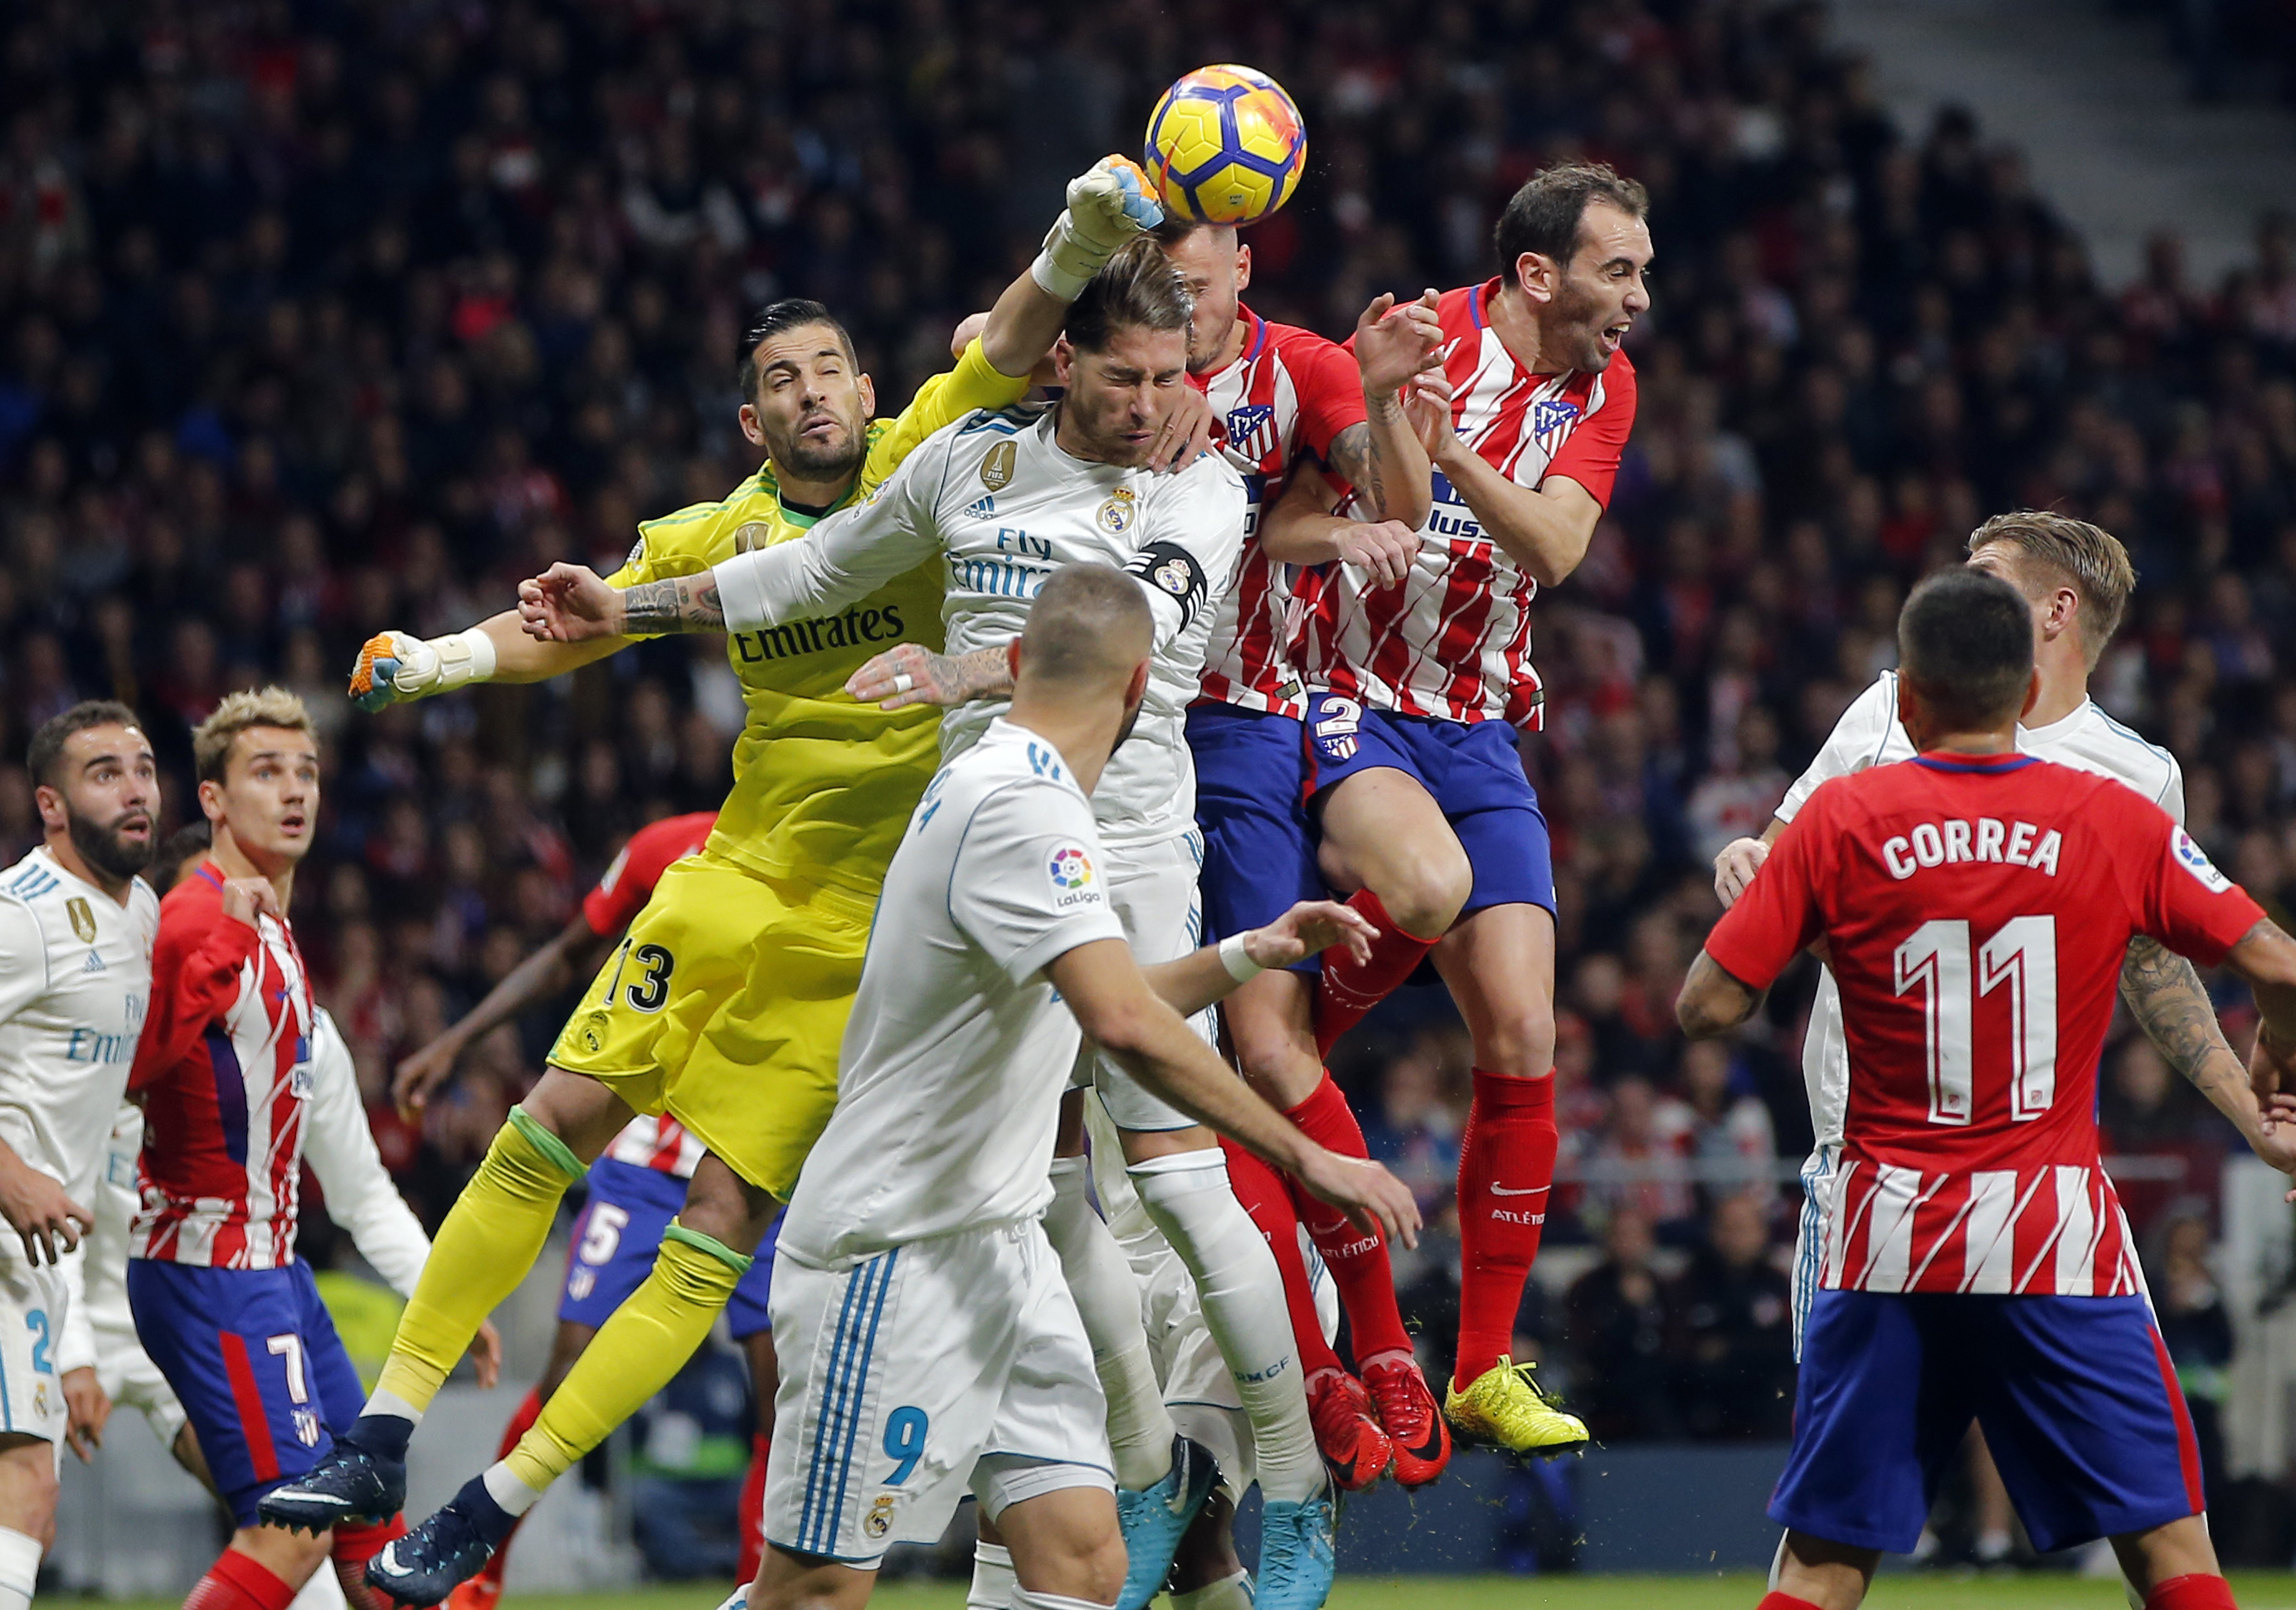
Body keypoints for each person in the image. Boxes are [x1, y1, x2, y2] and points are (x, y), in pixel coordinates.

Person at [260, 158, 1184, 1592]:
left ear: (870, 388)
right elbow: (583, 619)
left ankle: (490, 1508)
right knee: (556, 1112)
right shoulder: (722, 531)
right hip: (730, 875)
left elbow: (1008, 341)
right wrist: (438, 660)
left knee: (714, 1218)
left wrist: (1071, 244)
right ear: (750, 416)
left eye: (831, 369)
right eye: (781, 379)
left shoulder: (919, 462)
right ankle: (384, 1429)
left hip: (867, 931)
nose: (813, 393)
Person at [518, 238, 1348, 1610]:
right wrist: (635, 608)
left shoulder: (1199, 490)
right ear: (1062, 362)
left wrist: (949, 669)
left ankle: (1282, 1489)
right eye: (1119, 374)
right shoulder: (974, 484)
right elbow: (814, 571)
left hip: (1117, 872)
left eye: (1168, 377)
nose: (1147, 404)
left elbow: (1133, 636)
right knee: (828, 1579)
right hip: (973, 955)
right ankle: (1178, 1472)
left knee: (1152, 1244)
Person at [741, 563, 1417, 1610]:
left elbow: (1095, 995)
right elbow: (1121, 1024)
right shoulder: (1025, 811)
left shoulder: (1008, 785)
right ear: (1143, 688)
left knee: (1079, 1565)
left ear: (1012, 664)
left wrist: (1245, 953)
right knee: (816, 1588)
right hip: (898, 1250)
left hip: (1000, 1254)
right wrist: (1306, 1154)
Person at [1676, 567, 2296, 1610]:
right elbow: (2277, 965)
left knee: (1823, 1563)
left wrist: (1824, 937)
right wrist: (2274, 1056)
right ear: (2020, 694)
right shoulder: (2113, 815)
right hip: (2052, 1232)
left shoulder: (1840, 821)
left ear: (1904, 697)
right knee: (2168, 1551)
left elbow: (1705, 1009)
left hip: (1884, 1235)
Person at [1257, 159, 1651, 1455]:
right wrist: (1386, 400)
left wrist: (1455, 441)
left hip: (1481, 723)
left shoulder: (1607, 384)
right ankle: (1290, 1048)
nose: (1638, 298)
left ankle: (1484, 1364)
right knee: (1423, 888)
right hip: (1353, 695)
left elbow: (1555, 549)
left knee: (1530, 1028)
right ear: (1540, 274)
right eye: (1618, 271)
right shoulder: (1411, 335)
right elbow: (1310, 521)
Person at [1710, 513, 2246, 1360]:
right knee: (1864, 1472)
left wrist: (2253, 1115)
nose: (1957, 586)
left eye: (1985, 572)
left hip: (2041, 1174)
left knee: (2106, 1474)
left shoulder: (2139, 777)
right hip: (1869, 1161)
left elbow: (2156, 971)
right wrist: (1749, 867)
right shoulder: (1888, 707)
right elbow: (1775, 862)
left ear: (2055, 609)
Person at [1145, 214, 1455, 1488]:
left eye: (1199, 282)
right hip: (1147, 729)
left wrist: (1382, 402)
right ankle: (1324, 1377)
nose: (1181, 303)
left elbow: (1400, 505)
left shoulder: (1305, 367)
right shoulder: (1118, 370)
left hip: (1269, 718)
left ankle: (1361, 1347)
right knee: (1198, 1079)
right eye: (1161, 284)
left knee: (1277, 1036)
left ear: (1243, 271)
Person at [128, 689, 500, 1610]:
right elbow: (136, 1066)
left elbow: (360, 1187)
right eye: (265, 772)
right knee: (292, 1534)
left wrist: (440, 1298)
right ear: (213, 798)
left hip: (275, 1268)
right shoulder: (196, 915)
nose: (294, 791)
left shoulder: (276, 937)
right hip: (212, 1268)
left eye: (306, 772)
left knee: (373, 1515)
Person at [387, 810, 786, 1609]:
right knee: (569, 1362)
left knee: (778, 1388)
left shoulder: (823, 851)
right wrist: (455, 1039)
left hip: (750, 1156)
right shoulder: (664, 845)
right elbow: (569, 953)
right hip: (643, 1157)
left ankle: (759, 1587)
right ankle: (478, 1580)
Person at [0, 703, 161, 1610]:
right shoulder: (20, 919)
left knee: (29, 1501)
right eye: (106, 773)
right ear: (51, 806)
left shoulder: (138, 911)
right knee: (26, 1486)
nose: (135, 789)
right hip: (3, 1234)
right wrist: (11, 1174)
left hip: (37, 1263)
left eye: (142, 768)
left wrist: (76, 1338)